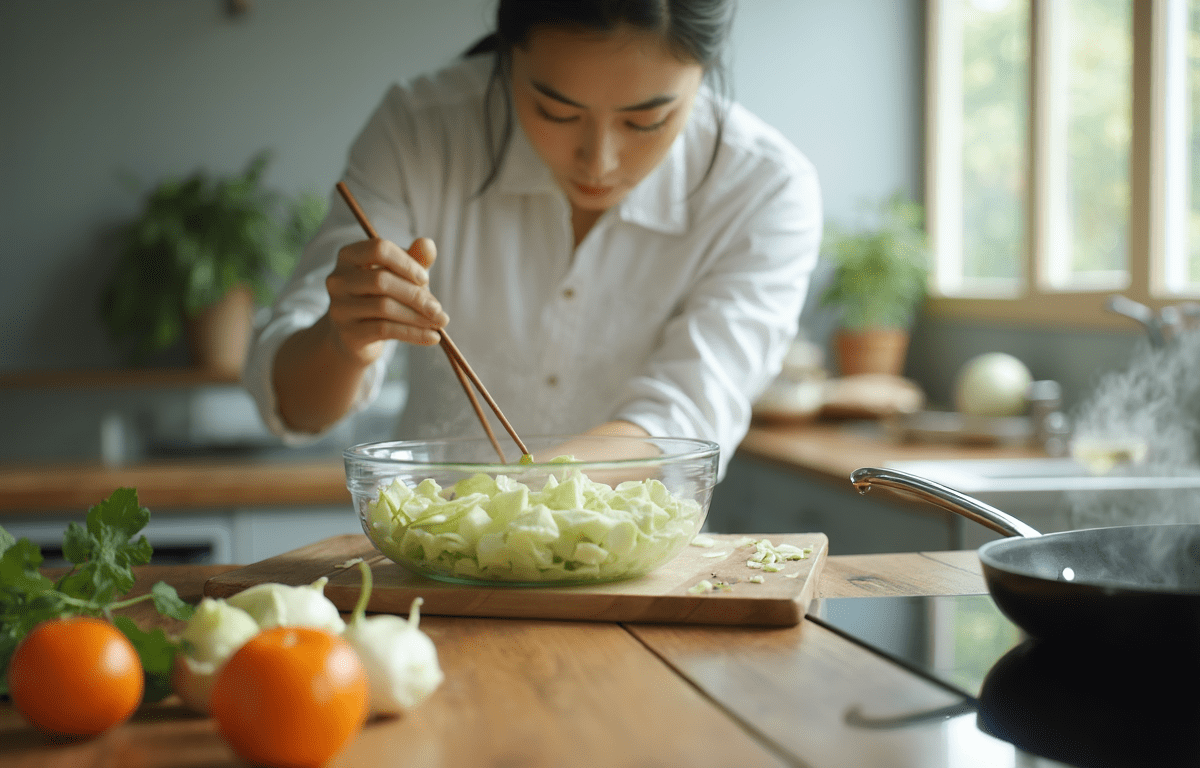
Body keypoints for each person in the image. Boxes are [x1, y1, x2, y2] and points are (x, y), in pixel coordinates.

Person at [244, 0, 822, 477]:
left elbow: (684, 420)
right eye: (555, 111)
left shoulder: (764, 187)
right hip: (431, 564)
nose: (599, 161)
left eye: (645, 121)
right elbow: (297, 410)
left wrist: (503, 498)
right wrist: (343, 340)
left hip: (639, 564)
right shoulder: (421, 128)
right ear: (507, 54)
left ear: (704, 71)